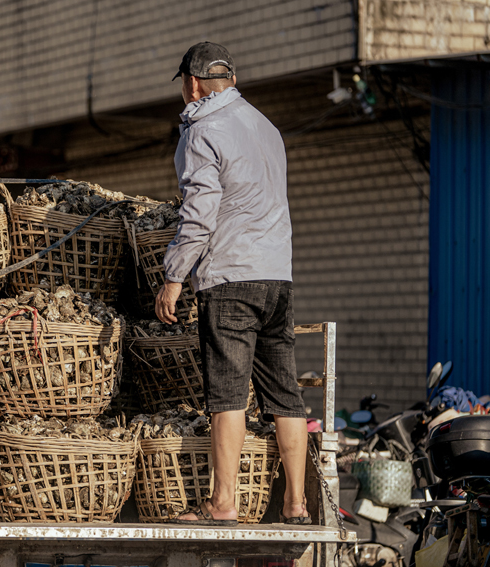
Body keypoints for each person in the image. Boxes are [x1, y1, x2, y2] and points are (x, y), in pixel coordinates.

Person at [156, 41, 310, 526]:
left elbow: (199, 212)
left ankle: (223, 504)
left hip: (230, 279)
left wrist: (173, 277)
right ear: (232, 81)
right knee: (285, 393)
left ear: (193, 84)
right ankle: (296, 505)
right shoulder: (267, 127)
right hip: (277, 278)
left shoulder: (202, 130)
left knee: (226, 394)